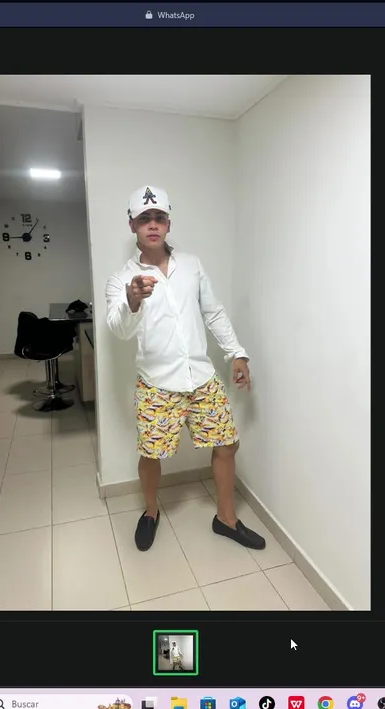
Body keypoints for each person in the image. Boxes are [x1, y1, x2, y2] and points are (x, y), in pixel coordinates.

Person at [105, 185, 266, 553]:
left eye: (159, 217)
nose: (153, 224)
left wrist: (237, 354)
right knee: (151, 453)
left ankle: (226, 519)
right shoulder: (122, 279)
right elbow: (119, 329)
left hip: (202, 378)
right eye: (144, 218)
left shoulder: (191, 265)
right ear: (132, 225)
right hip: (157, 383)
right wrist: (132, 301)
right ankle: (150, 512)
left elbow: (213, 312)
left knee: (227, 445)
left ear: (168, 223)